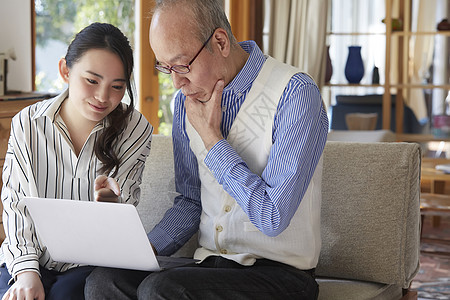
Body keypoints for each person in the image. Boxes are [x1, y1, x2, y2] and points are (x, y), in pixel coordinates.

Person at [85, 0, 328, 299]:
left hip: (282, 273)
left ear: (221, 42)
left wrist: (213, 141)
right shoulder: (184, 105)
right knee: (103, 281)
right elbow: (190, 200)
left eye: (183, 65)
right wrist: (145, 249)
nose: (176, 82)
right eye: (166, 68)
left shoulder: (295, 94)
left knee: (161, 290)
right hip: (210, 265)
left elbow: (272, 216)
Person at [0, 22, 153, 300]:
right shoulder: (28, 123)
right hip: (29, 257)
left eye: (117, 86)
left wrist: (109, 204)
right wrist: (26, 273)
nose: (103, 97)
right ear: (65, 71)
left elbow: (124, 214)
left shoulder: (135, 128)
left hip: (92, 265)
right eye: (92, 81)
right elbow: (15, 205)